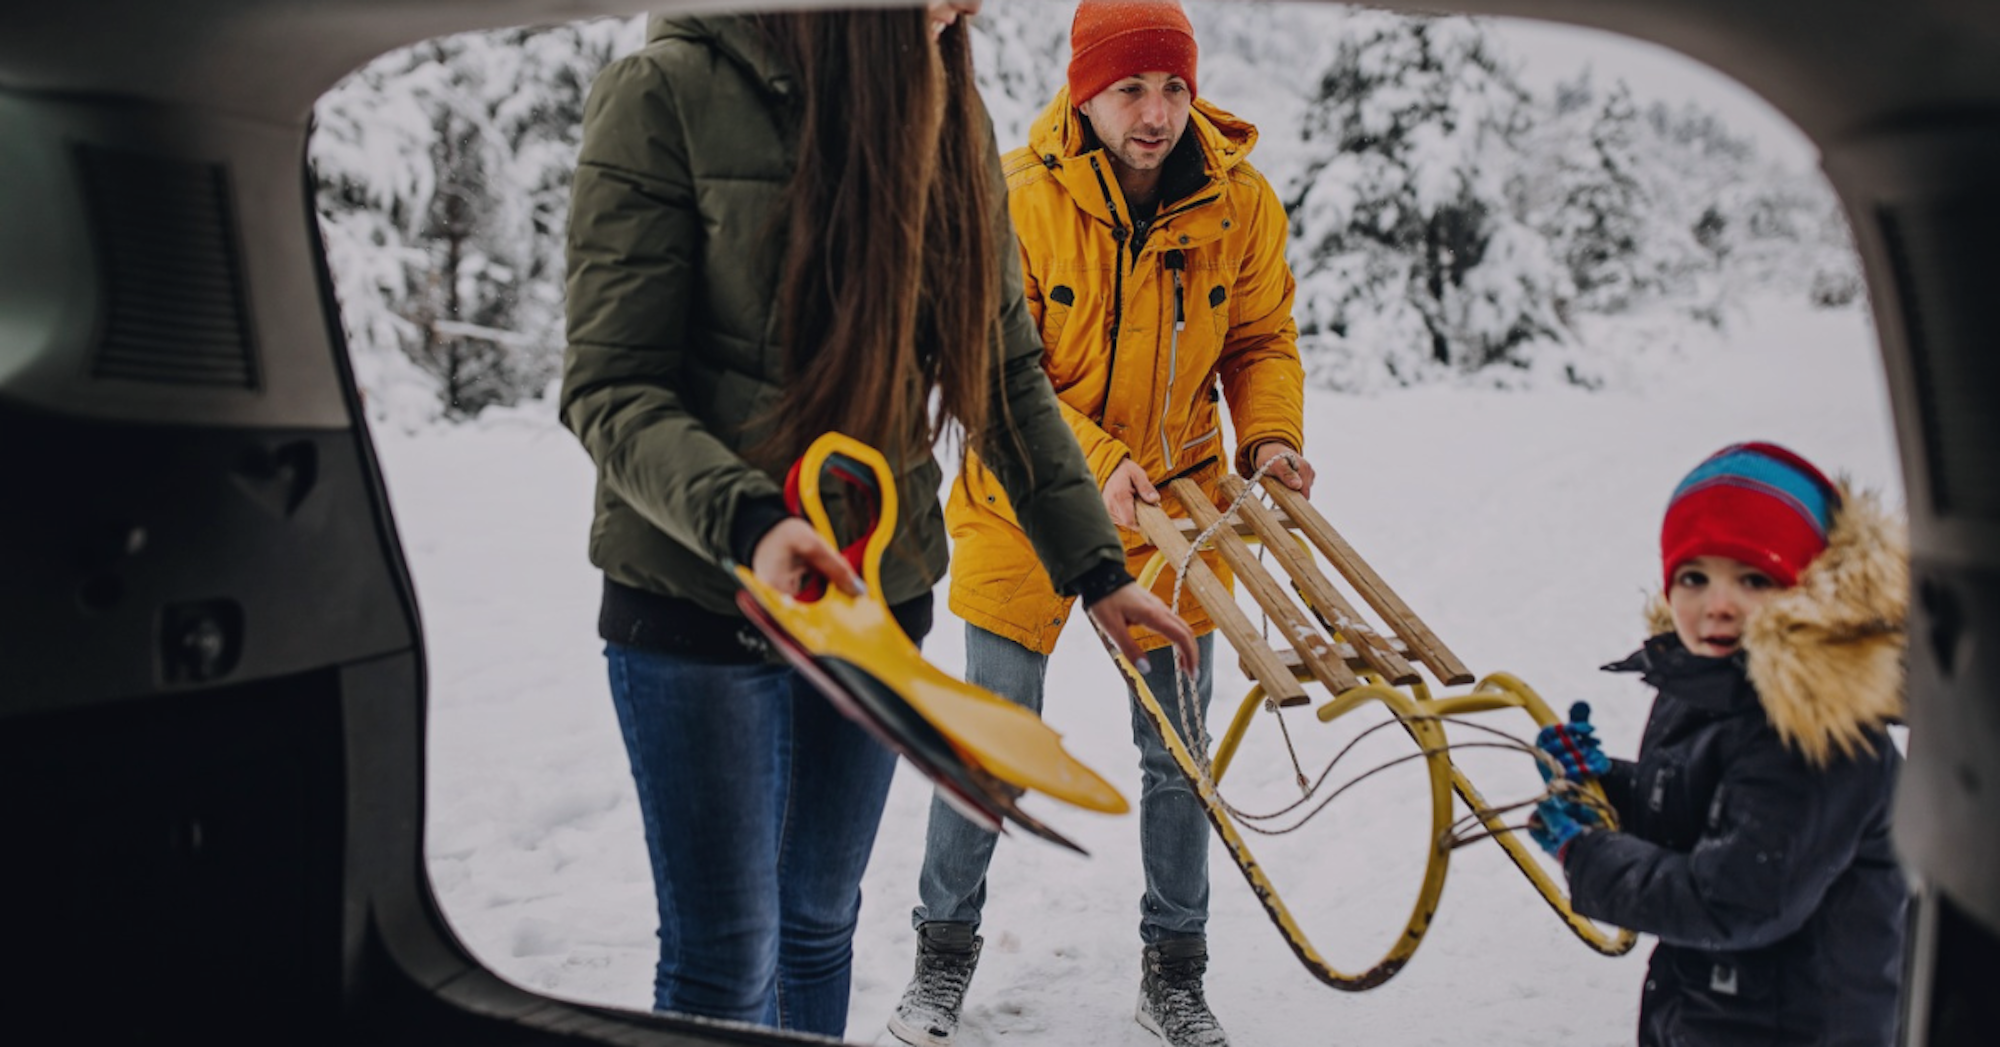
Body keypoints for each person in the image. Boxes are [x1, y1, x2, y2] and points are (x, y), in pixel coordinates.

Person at [559, 3, 1197, 1037]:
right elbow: (611, 387)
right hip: (695, 594)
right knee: (725, 955)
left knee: (818, 923)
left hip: (873, 606)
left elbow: (1003, 372)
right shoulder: (664, 92)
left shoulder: (949, 112)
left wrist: (1095, 569)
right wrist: (750, 524)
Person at [891, 4, 1311, 1046]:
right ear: (1084, 92)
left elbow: (1261, 338)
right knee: (993, 742)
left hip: (1178, 508)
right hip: (1024, 500)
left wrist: (1268, 439)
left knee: (1178, 754)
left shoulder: (1239, 203)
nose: (1156, 113)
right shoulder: (1015, 197)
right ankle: (940, 958)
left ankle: (1174, 971)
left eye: (1172, 88)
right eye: (1130, 89)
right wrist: (1094, 459)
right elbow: (995, 371)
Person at [1531, 441, 1908, 1046]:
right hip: (1712, 1014)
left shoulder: (1819, 731)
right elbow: (1709, 814)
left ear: (1810, 588)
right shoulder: (1710, 680)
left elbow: (1732, 902)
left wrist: (1589, 854)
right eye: (1694, 578)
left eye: (1754, 578)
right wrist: (1610, 785)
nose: (1718, 606)